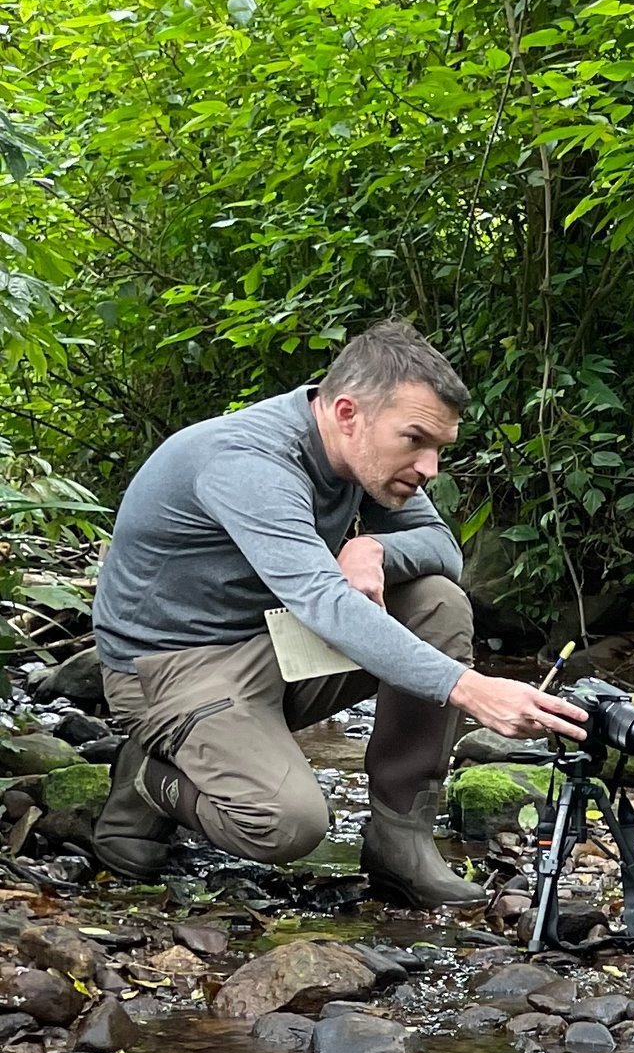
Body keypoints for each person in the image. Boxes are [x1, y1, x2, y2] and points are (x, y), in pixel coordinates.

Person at [86, 320, 588, 904]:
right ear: (348, 412)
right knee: (286, 824)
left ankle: (401, 840)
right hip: (169, 668)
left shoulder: (359, 454)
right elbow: (323, 602)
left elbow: (444, 549)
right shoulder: (249, 463)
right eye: (415, 440)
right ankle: (148, 780)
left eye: (438, 449)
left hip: (271, 644)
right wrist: (471, 689)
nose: (429, 468)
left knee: (436, 602)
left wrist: (374, 546)